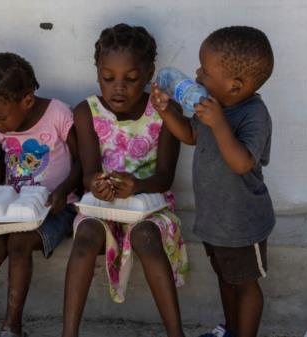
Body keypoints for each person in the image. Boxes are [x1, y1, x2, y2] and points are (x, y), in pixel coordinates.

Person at [61, 23, 189, 337]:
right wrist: (97, 184)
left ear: (148, 74)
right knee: (86, 234)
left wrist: (136, 185)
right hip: (102, 207)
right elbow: (89, 171)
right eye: (108, 78)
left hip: (149, 206)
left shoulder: (163, 112)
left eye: (131, 79)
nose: (119, 88)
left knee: (146, 236)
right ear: (97, 74)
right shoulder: (86, 112)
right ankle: (68, 333)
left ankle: (176, 333)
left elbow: (165, 177)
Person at [151, 26, 275, 337]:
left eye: (205, 71)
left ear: (235, 86)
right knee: (225, 276)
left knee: (245, 285)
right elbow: (191, 135)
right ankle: (230, 329)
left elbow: (242, 162)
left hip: (242, 222)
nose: (197, 74)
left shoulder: (253, 114)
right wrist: (166, 112)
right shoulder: (210, 106)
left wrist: (219, 123)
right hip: (215, 219)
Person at [0, 52, 81, 337]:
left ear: (28, 101)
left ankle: (12, 327)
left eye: (0, 116)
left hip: (55, 207)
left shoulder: (57, 114)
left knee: (19, 243)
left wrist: (63, 192)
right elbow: (2, 161)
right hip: (13, 206)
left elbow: (82, 161)